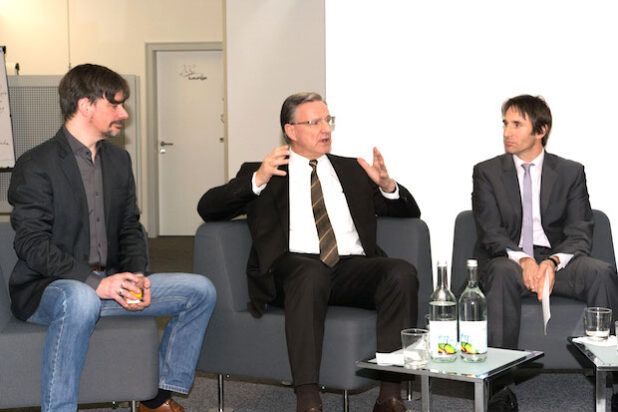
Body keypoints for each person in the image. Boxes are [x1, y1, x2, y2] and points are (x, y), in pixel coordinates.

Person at [8, 63, 216, 412]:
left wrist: (136, 274)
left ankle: (156, 394)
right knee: (82, 299)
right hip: (51, 288)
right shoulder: (36, 164)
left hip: (110, 282)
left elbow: (130, 227)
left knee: (200, 291)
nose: (124, 113)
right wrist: (94, 283)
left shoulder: (119, 160)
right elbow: (31, 243)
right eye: (116, 104)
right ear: (86, 105)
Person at [198, 92, 421, 412]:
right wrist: (257, 180)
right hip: (290, 270)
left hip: (349, 268)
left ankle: (389, 393)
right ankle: (308, 397)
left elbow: (409, 212)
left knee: (400, 272)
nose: (324, 128)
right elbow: (207, 208)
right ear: (291, 130)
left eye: (327, 120)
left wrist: (388, 186)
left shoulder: (352, 169)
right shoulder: (267, 170)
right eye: (314, 122)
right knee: (310, 271)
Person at [472, 94, 618, 349]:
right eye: (505, 124)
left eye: (517, 125)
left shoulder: (570, 172)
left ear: (541, 130)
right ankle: (498, 383)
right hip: (510, 262)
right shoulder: (487, 172)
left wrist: (552, 262)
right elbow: (491, 231)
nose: (507, 132)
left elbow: (580, 229)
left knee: (601, 273)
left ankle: (609, 378)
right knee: (502, 272)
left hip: (557, 261)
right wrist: (524, 260)